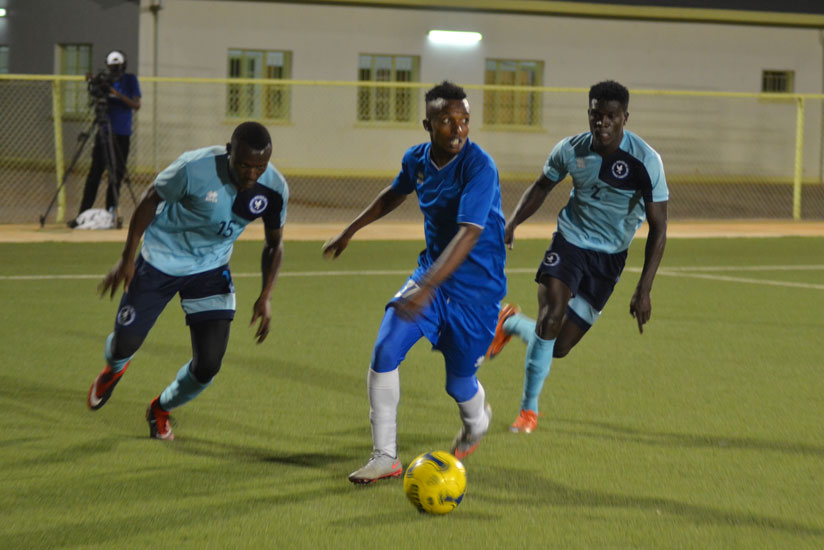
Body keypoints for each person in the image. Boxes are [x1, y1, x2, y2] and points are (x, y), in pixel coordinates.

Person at [323, 81, 507, 484]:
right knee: (385, 348)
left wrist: (428, 286)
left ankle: (477, 421)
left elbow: (469, 233)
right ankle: (385, 456)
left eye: (464, 121)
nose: (458, 129)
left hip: (477, 292)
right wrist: (351, 230)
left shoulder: (480, 166)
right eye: (446, 121)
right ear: (428, 124)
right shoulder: (418, 160)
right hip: (431, 277)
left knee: (458, 383)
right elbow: (395, 192)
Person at [86, 121, 288, 440]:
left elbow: (274, 243)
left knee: (208, 364)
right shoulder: (194, 168)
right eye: (244, 165)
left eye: (260, 167)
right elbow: (150, 199)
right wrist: (126, 258)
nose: (252, 174)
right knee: (124, 344)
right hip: (161, 259)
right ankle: (114, 368)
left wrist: (266, 295)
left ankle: (161, 408)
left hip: (210, 269)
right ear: (229, 151)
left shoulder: (274, 188)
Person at [486, 80, 668, 434]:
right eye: (596, 115)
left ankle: (508, 322)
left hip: (609, 260)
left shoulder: (645, 161)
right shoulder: (570, 150)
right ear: (588, 114)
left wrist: (644, 289)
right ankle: (528, 412)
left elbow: (659, 228)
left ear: (624, 118)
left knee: (557, 347)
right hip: (569, 243)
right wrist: (513, 223)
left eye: (611, 117)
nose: (602, 123)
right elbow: (542, 186)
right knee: (551, 316)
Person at [69, 50, 141, 228]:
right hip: (103, 132)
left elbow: (136, 104)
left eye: (117, 66)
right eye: (112, 66)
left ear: (123, 65)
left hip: (121, 134)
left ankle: (111, 215)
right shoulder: (104, 81)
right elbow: (95, 97)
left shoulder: (130, 79)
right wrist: (96, 84)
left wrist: (114, 93)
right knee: (94, 175)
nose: (114, 70)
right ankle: (82, 216)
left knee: (115, 176)